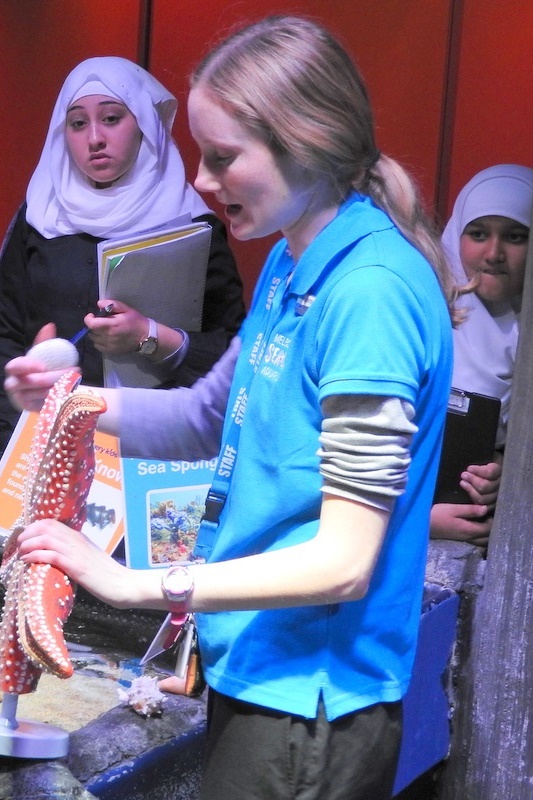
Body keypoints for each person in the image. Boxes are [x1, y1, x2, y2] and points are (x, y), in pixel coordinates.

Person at [6, 16, 454, 800]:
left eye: (223, 158)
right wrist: (68, 401)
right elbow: (209, 415)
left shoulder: (370, 292)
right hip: (254, 663)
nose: (204, 180)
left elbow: (343, 563)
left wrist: (131, 585)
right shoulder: (294, 258)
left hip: (311, 700)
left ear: (304, 140)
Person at [0, 56, 245, 454]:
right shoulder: (41, 216)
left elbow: (232, 351)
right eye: (78, 123)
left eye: (112, 118)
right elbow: (5, 331)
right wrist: (17, 422)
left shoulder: (189, 223)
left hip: (154, 444)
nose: (94, 138)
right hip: (41, 437)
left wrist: (150, 337)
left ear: (144, 125)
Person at [430, 164, 533, 547]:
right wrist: (419, 519)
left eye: (515, 236)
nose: (493, 253)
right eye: (477, 234)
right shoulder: (425, 316)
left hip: (495, 545)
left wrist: (507, 468)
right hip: (398, 528)